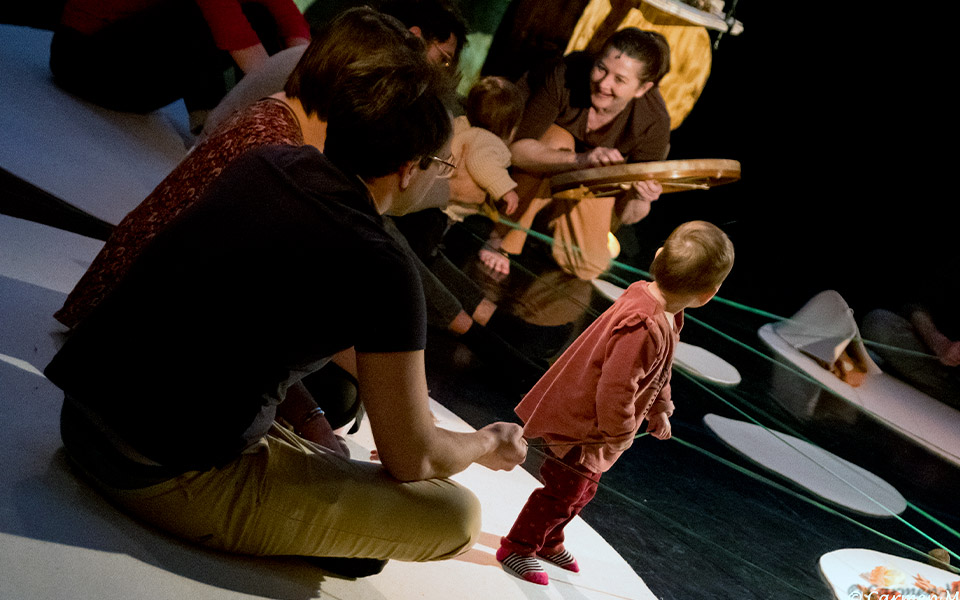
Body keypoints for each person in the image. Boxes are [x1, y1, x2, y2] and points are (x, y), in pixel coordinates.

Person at [44, 25, 527, 577]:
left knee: (337, 418)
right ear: (407, 167)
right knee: (454, 515)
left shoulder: (269, 163)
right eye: (440, 166)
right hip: (155, 472)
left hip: (81, 420)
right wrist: (484, 442)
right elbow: (413, 456)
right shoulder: (384, 266)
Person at [495, 221, 734, 585]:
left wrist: (659, 408)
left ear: (657, 257)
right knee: (563, 492)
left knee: (584, 491)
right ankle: (518, 546)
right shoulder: (645, 323)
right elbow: (616, 387)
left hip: (598, 430)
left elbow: (659, 370)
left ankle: (548, 540)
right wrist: (620, 432)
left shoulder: (662, 310)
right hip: (583, 426)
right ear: (709, 294)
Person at [482, 27, 672, 280]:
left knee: (589, 265)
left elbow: (630, 215)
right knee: (559, 139)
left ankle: (548, 226)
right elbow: (516, 150)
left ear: (641, 88)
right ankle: (503, 236)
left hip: (587, 179)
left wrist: (641, 197)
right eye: (601, 68)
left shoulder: (654, 121)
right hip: (534, 160)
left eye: (619, 80)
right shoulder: (565, 74)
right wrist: (580, 159)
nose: (604, 83)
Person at [201, 0, 468, 137]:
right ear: (414, 35)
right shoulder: (353, 78)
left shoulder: (326, 62)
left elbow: (288, 17)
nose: (442, 70)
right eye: (443, 58)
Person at [49, 0, 311, 128]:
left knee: (259, 14)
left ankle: (211, 116)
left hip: (124, 64)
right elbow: (231, 31)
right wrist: (286, 107)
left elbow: (288, 17)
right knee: (197, 14)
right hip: (80, 58)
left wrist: (310, 80)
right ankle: (213, 126)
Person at [444, 76, 523, 224]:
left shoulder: (460, 125)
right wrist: (506, 189)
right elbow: (481, 162)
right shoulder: (487, 140)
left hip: (435, 201)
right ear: (509, 128)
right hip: (443, 210)